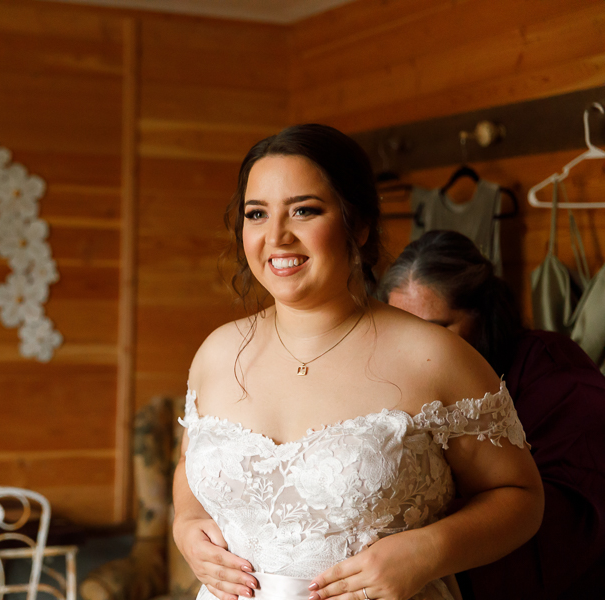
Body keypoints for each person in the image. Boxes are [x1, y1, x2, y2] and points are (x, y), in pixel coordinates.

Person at [172, 124, 544, 600]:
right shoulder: (217, 353)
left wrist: (429, 550)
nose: (277, 236)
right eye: (257, 214)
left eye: (304, 210)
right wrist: (188, 523)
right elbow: (190, 466)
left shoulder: (433, 356)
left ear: (359, 224)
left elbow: (521, 498)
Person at [379, 230, 605, 599]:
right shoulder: (389, 380)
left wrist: (432, 548)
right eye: (401, 329)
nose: (415, 346)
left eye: (436, 329)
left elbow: (578, 508)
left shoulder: (553, 367)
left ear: (483, 315)